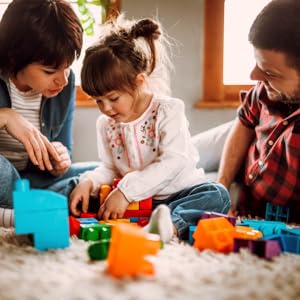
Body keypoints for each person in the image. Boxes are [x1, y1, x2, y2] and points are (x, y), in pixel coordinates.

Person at [69, 15, 230, 242]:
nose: (105, 108)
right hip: (137, 202)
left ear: (140, 81)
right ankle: (147, 220)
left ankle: (169, 225)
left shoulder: (168, 111)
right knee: (83, 195)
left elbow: (174, 162)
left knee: (217, 195)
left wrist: (126, 192)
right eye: (97, 100)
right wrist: (89, 182)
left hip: (177, 195)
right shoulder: (105, 124)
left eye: (113, 98)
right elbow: (109, 168)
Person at [0, 0, 98, 227]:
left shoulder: (65, 84)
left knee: (97, 172)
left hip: (33, 181)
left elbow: (65, 152)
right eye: (50, 71)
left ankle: (22, 210)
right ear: (15, 57)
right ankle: (33, 210)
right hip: (4, 178)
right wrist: (6, 116)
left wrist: (60, 160)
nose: (63, 80)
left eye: (67, 68)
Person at [217, 0, 300, 223]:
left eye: (270, 73)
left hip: (274, 213)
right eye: (256, 63)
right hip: (243, 155)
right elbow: (244, 125)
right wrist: (221, 187)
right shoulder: (264, 90)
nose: (253, 76)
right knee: (187, 166)